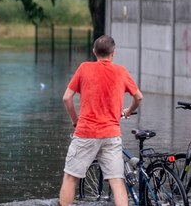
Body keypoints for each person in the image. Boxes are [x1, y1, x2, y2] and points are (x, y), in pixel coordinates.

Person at [58, 35, 143, 206]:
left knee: (70, 178)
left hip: (86, 132)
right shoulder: (121, 71)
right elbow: (139, 97)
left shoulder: (84, 68)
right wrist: (128, 111)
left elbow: (67, 98)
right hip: (111, 135)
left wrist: (75, 120)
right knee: (117, 180)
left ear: (94, 52)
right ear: (113, 53)